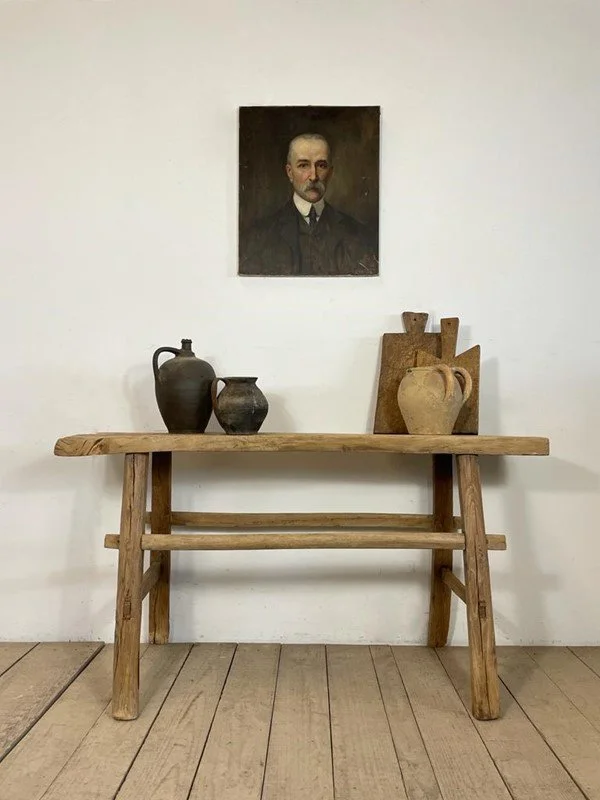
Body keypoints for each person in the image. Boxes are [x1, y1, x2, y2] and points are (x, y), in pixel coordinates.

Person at [239, 133, 378, 276]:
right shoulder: (258, 237)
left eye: (321, 165)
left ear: (330, 172)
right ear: (289, 172)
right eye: (303, 165)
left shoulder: (358, 234)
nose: (313, 176)